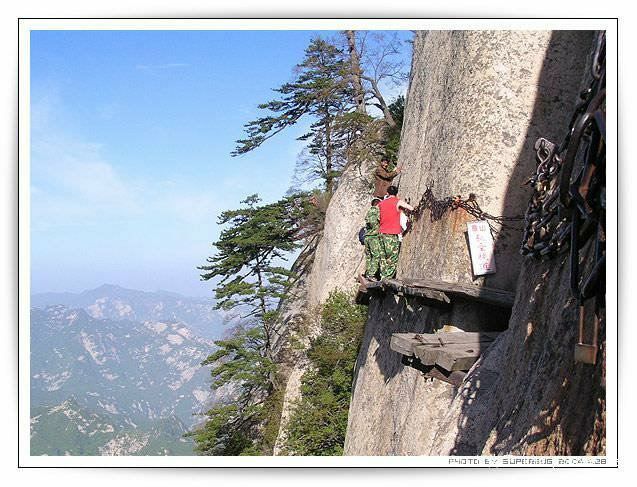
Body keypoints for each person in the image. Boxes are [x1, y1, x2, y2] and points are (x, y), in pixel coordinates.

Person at [378, 185, 414, 279]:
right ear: (396, 193)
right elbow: (411, 208)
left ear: (387, 193)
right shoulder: (397, 201)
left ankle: (382, 276)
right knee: (392, 257)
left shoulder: (381, 204)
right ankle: (387, 278)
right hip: (392, 233)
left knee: (383, 256)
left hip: (381, 233)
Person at [363, 198, 382, 281]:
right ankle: (372, 274)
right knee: (376, 255)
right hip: (374, 237)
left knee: (369, 256)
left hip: (367, 237)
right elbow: (377, 222)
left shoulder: (368, 212)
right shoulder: (376, 211)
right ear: (378, 204)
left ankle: (368, 273)